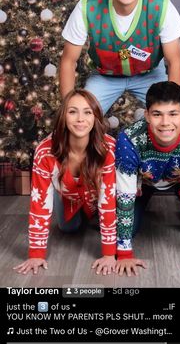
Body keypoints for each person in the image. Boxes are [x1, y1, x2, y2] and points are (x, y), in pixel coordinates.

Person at [60, 0, 180, 114]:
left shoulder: (160, 5)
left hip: (150, 75)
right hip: (105, 76)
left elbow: (175, 60)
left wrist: (172, 109)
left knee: (168, 118)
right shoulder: (87, 7)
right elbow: (68, 61)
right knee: (80, 117)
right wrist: (69, 112)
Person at [115, 81, 180, 278]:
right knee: (131, 229)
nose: (165, 122)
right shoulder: (128, 139)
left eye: (173, 114)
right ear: (146, 115)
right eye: (157, 114)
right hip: (142, 183)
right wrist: (125, 252)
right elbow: (124, 198)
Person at [13, 89, 116, 276]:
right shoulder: (45, 152)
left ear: (96, 117)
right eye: (72, 111)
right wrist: (36, 254)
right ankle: (82, 213)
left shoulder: (108, 149)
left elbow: (108, 200)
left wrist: (109, 254)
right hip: (68, 195)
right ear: (63, 116)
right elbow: (39, 203)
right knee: (68, 228)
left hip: (101, 196)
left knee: (122, 228)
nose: (80, 119)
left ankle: (92, 213)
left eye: (87, 112)